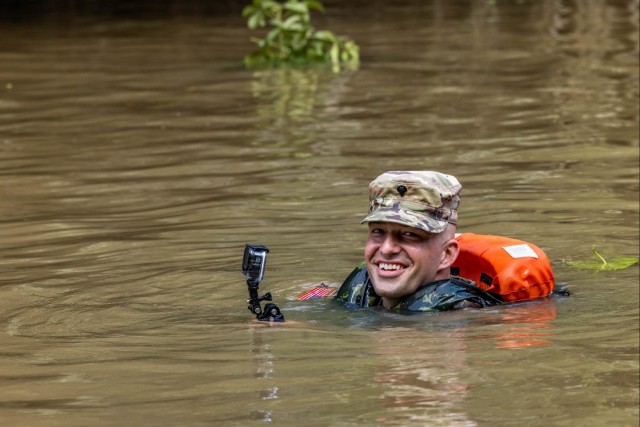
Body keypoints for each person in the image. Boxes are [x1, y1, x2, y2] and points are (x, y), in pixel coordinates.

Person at [334, 170, 502, 312]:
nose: (386, 249)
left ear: (447, 254)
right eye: (378, 231)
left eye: (409, 234)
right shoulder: (361, 290)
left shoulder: (458, 315)